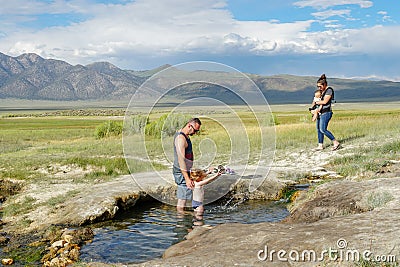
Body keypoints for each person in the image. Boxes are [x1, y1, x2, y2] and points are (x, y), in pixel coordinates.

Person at [173, 118, 202, 212]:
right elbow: (181, 160)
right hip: (182, 171)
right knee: (182, 199)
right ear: (189, 125)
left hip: (185, 170)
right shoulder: (181, 139)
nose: (195, 133)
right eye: (195, 130)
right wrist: (187, 178)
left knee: (185, 195)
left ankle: (183, 217)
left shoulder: (185, 135)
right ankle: (181, 221)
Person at [314, 74, 340, 151]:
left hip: (326, 112)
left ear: (325, 84)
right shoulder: (322, 91)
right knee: (319, 129)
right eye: (318, 87)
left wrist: (317, 103)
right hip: (320, 113)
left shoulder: (329, 90)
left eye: (320, 86)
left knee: (323, 129)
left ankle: (335, 142)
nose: (319, 88)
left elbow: (325, 102)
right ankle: (320, 145)